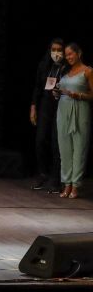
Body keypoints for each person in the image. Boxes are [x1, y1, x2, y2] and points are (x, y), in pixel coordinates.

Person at [54, 43, 93, 199]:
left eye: (71, 54)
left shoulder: (88, 71)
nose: (68, 57)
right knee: (65, 150)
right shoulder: (65, 71)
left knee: (79, 149)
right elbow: (62, 92)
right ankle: (67, 184)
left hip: (80, 111)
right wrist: (57, 94)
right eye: (67, 54)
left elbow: (92, 95)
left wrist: (79, 96)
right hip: (63, 112)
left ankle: (75, 185)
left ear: (79, 53)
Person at [30, 39, 65, 193]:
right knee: (41, 139)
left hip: (61, 105)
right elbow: (37, 87)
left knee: (56, 143)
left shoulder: (67, 67)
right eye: (54, 49)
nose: (56, 53)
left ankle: (56, 179)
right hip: (45, 105)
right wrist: (33, 107)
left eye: (59, 50)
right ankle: (43, 173)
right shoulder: (44, 65)